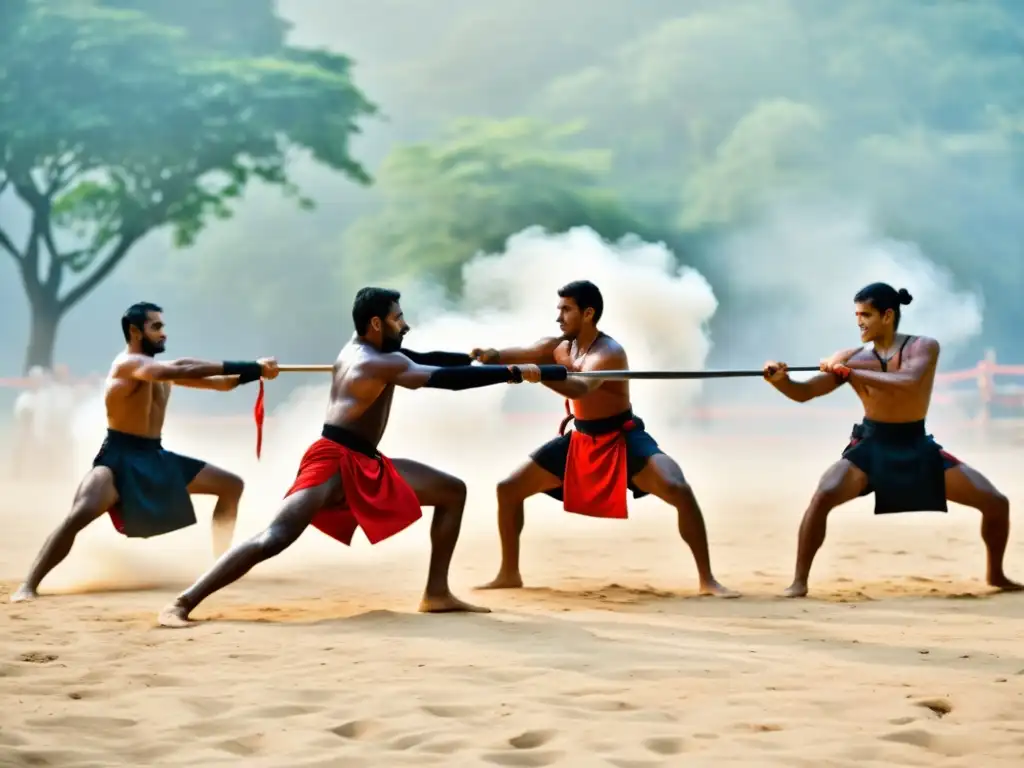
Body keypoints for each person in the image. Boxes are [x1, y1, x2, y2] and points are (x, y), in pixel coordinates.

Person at [157, 287, 556, 627]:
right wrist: (514, 373)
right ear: (377, 324)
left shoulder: (361, 348)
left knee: (452, 491)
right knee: (274, 538)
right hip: (331, 461)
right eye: (399, 318)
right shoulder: (379, 361)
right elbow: (440, 381)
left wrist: (479, 358)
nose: (406, 325)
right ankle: (183, 602)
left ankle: (437, 594)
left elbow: (426, 356)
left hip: (365, 459)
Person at [471, 280, 738, 597]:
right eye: (558, 310)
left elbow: (582, 388)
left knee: (678, 488)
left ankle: (707, 579)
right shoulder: (558, 346)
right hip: (580, 438)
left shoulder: (608, 353)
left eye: (566, 310)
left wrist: (540, 376)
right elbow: (517, 354)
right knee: (508, 489)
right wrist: (489, 355)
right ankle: (509, 573)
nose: (559, 317)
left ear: (588, 313)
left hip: (621, 437)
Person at [763, 282, 1021, 598]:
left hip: (915, 444)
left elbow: (908, 382)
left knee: (996, 502)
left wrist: (850, 373)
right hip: (872, 444)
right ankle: (799, 581)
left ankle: (996, 574)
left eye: (866, 315)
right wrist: (781, 380)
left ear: (887, 316)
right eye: (857, 315)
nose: (859, 322)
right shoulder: (850, 357)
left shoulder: (923, 346)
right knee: (824, 495)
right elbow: (805, 393)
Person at [10, 302, 277, 603]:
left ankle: (222, 566)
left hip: (153, 453)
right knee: (81, 513)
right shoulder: (128, 365)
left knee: (232, 485)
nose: (163, 333)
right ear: (135, 331)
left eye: (163, 326)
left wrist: (258, 373)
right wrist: (251, 366)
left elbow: (223, 384)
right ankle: (29, 585)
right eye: (156, 327)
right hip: (119, 457)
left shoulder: (162, 371)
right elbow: (180, 367)